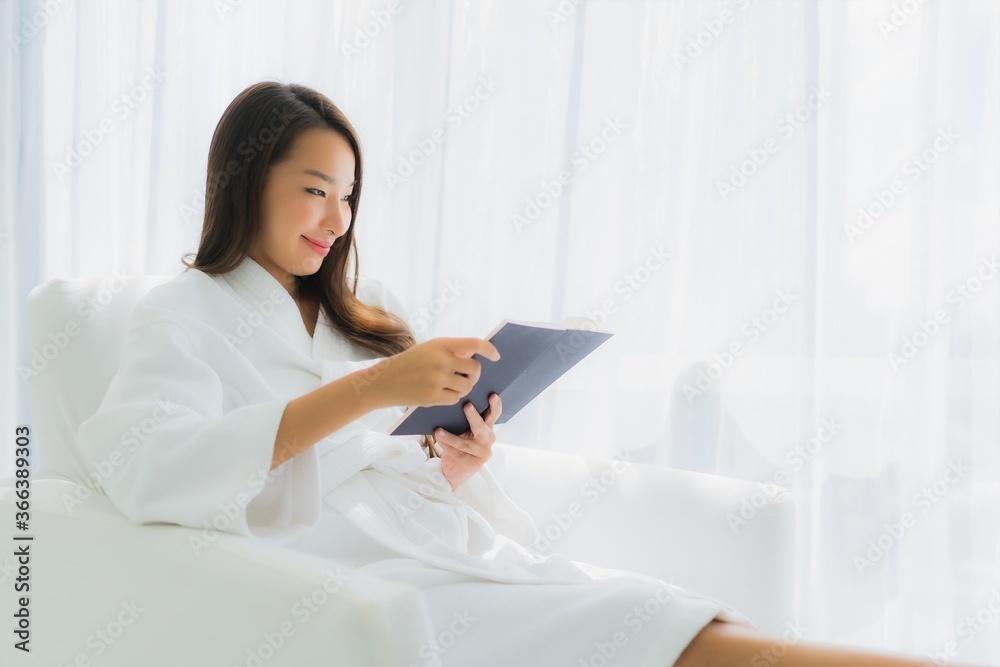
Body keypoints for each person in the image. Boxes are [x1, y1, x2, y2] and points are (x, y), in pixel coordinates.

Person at [77, 81, 975, 667]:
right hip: (344, 585)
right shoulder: (180, 312)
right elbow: (156, 468)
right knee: (679, 640)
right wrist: (373, 391)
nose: (336, 218)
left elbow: (389, 455)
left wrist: (450, 460)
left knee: (681, 621)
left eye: (349, 194)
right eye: (315, 188)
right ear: (245, 180)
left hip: (437, 548)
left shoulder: (364, 306)